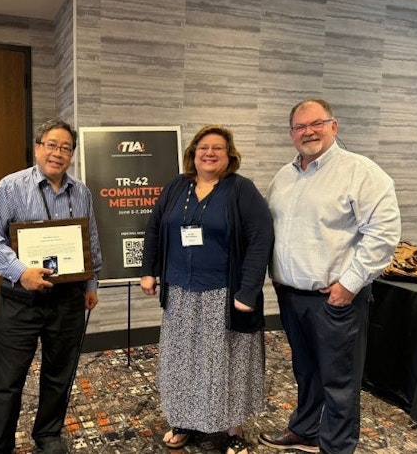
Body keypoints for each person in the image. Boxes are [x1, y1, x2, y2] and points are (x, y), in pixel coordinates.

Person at [259, 99, 401, 454]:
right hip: (292, 297)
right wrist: (275, 274)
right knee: (305, 371)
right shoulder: (284, 176)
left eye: (316, 123)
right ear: (291, 134)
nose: (309, 131)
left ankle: (337, 447)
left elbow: (383, 234)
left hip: (335, 299)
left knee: (340, 379)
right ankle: (306, 430)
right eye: (300, 126)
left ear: (333, 126)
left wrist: (349, 285)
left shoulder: (361, 172)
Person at [140, 125, 274, 454]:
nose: (209, 153)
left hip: (223, 294)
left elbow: (261, 239)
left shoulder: (241, 190)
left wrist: (248, 291)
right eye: (203, 147)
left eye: (217, 148)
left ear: (229, 155)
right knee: (182, 361)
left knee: (224, 362)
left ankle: (232, 429)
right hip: (181, 293)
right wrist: (148, 271)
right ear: (193, 153)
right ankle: (184, 419)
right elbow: (155, 228)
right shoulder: (176, 186)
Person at [0, 119, 102, 454]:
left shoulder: (81, 192)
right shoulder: (12, 187)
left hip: (68, 300)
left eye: (66, 148)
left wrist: (91, 283)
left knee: (60, 373)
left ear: (72, 154)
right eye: (51, 145)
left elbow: (91, 240)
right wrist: (18, 270)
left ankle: (47, 434)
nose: (58, 153)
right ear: (37, 147)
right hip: (21, 300)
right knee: (8, 380)